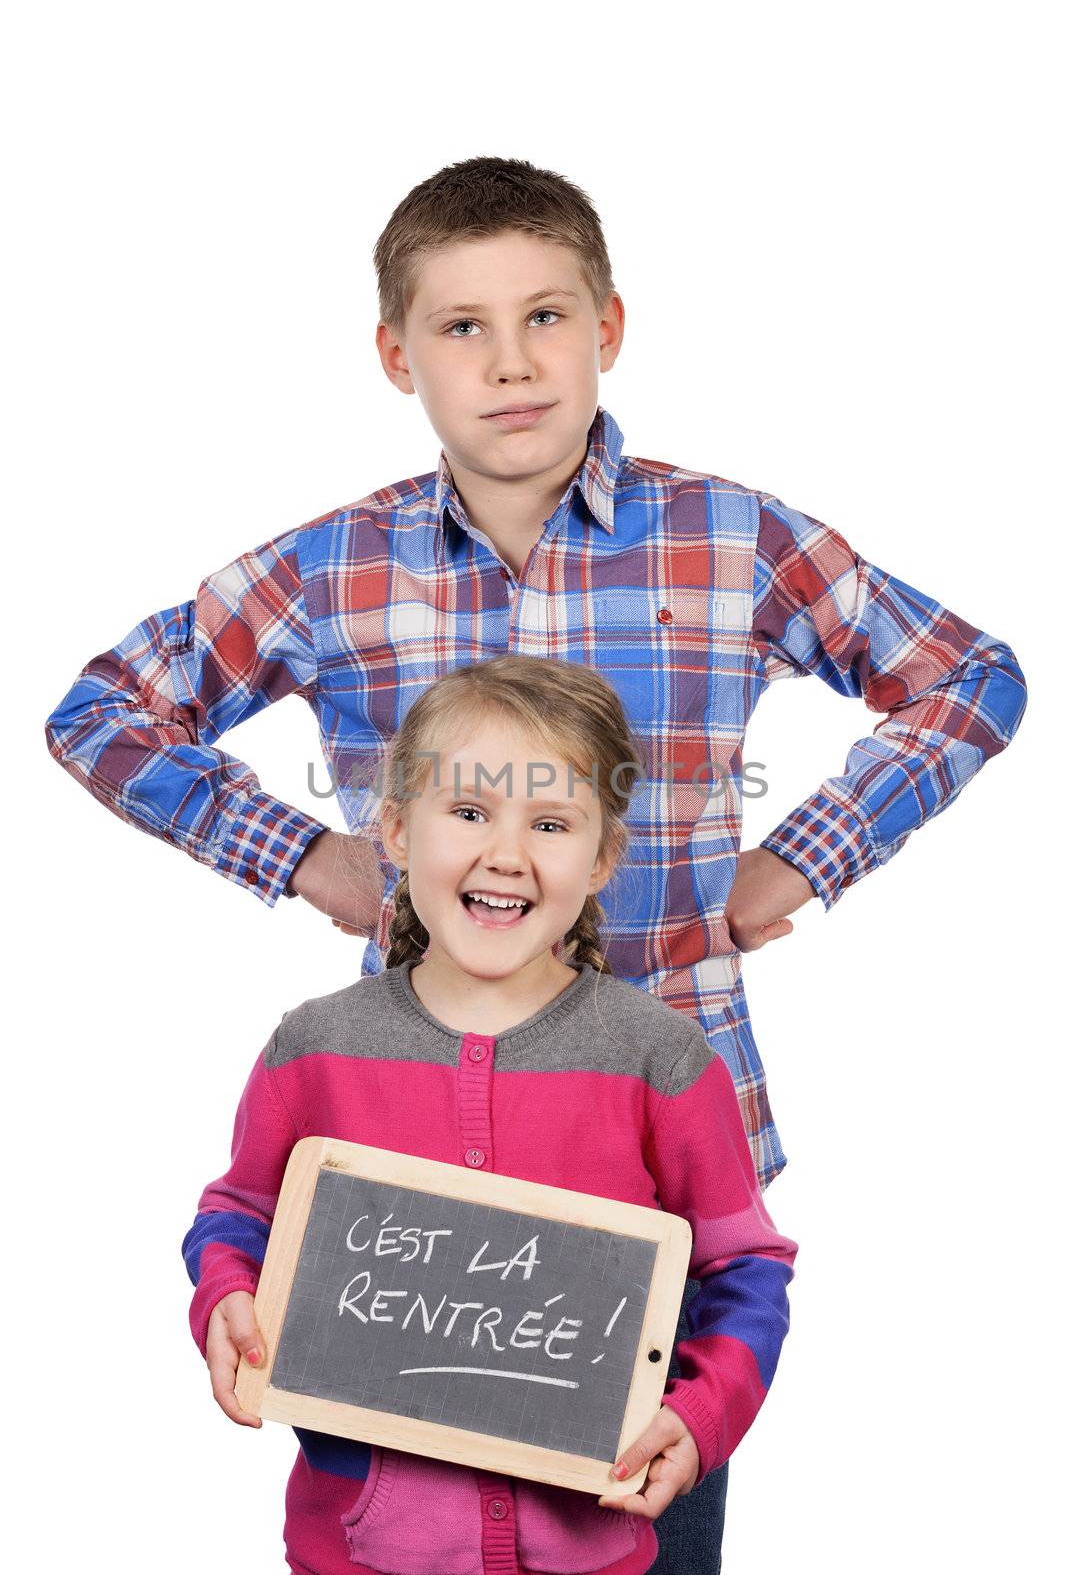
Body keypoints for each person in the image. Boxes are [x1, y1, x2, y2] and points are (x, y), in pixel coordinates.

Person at [44, 155, 1027, 1568]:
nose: (510, 365)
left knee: (644, 1524)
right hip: (406, 1177)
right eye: (460, 328)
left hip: (662, 1147)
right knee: (394, 1528)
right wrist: (306, 858)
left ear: (607, 327)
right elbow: (102, 712)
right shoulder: (333, 571)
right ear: (397, 355)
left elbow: (966, 678)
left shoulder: (732, 540)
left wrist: (799, 860)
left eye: (545, 318)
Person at [182, 654, 797, 1575]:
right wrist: (225, 1292)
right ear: (393, 828)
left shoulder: (660, 1061)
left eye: (548, 824)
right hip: (359, 1551)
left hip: (593, 1550)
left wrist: (701, 1413)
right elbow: (238, 1216)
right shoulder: (313, 1051)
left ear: (598, 860)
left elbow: (742, 1265)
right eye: (468, 812)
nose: (505, 853)